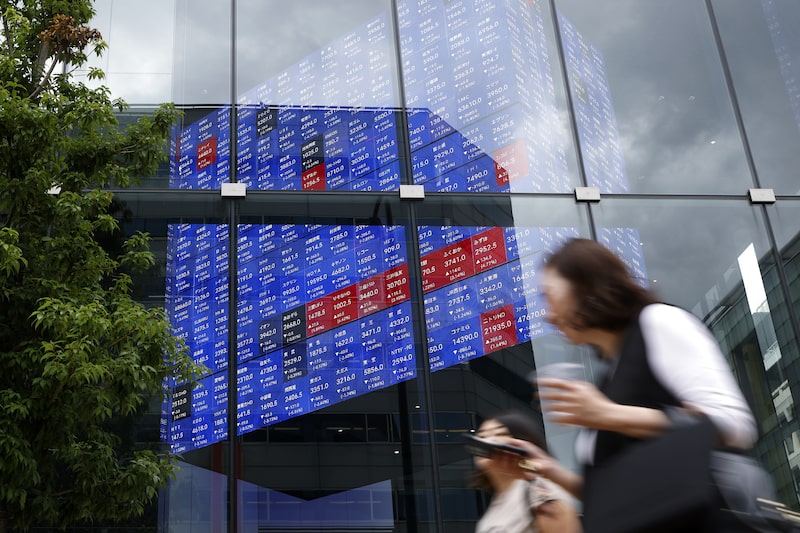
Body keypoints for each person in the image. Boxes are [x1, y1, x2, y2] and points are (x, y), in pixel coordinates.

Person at [495, 238, 757, 531]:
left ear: (586, 287)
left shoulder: (659, 323)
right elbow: (621, 495)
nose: (547, 313)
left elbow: (735, 425)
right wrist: (549, 469)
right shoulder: (609, 379)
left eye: (549, 295)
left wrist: (608, 415)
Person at [469, 410, 582, 533]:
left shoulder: (537, 488)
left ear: (521, 443)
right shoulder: (495, 505)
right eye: (482, 436)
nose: (488, 441)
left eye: (499, 434)